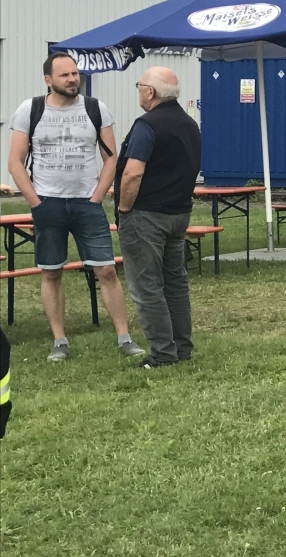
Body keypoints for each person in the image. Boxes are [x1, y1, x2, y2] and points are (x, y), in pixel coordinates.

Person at [7, 53, 144, 363]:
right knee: (51, 272)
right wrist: (35, 202)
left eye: (74, 73)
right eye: (64, 75)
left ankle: (124, 337)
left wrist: (98, 195)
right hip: (47, 203)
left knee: (106, 270)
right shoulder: (30, 110)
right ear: (48, 80)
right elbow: (15, 162)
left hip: (87, 203)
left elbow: (111, 158)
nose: (72, 79)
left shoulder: (96, 109)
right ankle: (60, 340)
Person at [115, 66, 202, 369]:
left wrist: (124, 209)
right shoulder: (190, 124)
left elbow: (133, 173)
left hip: (146, 215)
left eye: (140, 86)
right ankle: (182, 346)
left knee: (147, 285)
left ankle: (163, 352)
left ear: (150, 92)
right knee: (175, 282)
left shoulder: (147, 125)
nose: (139, 91)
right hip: (178, 213)